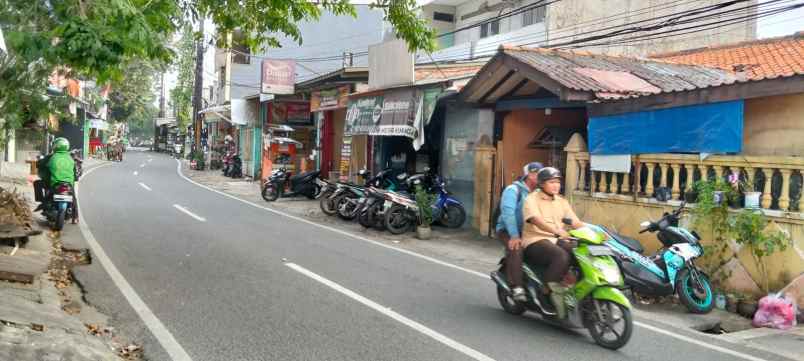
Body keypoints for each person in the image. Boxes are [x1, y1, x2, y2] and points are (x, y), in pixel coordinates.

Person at [522, 167, 584, 318]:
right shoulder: (531, 199)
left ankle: (574, 289)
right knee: (561, 256)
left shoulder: (561, 201)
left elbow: (576, 222)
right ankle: (545, 292)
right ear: (542, 183)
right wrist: (556, 231)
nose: (556, 185)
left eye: (558, 182)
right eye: (552, 182)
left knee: (580, 252)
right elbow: (536, 220)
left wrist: (597, 232)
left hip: (557, 239)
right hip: (535, 239)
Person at [495, 162, 543, 302]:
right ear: (527, 175)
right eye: (534, 173)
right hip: (507, 230)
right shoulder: (513, 190)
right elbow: (508, 214)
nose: (537, 176)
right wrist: (514, 235)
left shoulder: (540, 193)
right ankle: (517, 286)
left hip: (530, 231)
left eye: (539, 173)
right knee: (516, 249)